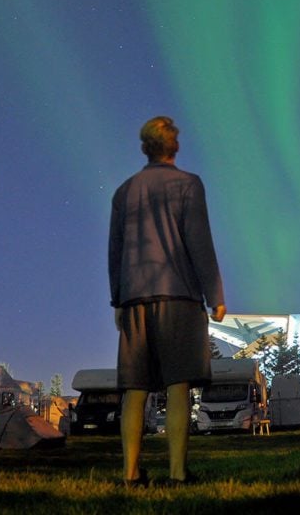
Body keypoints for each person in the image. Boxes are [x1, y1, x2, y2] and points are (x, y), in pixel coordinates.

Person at [108, 116, 226, 486]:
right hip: (178, 295)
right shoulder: (188, 185)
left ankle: (130, 473)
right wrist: (215, 294)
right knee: (178, 385)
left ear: (145, 147)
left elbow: (115, 251)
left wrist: (118, 299)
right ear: (174, 146)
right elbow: (199, 242)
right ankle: (176, 473)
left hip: (134, 296)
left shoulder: (124, 191)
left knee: (135, 389)